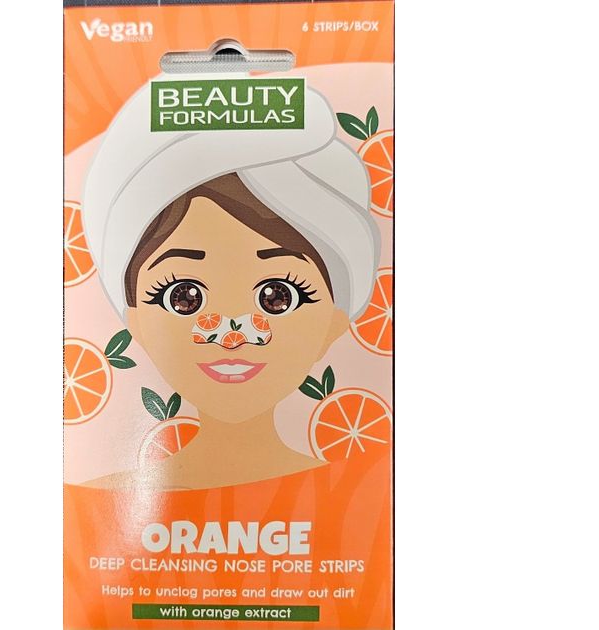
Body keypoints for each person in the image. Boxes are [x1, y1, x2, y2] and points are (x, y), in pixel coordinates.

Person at [80, 75, 380, 489]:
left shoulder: (354, 497)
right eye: (184, 296)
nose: (231, 331)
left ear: (336, 319)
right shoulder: (95, 501)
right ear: (135, 320)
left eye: (278, 296)